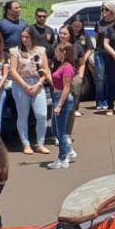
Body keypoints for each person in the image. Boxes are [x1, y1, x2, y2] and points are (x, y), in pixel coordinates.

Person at [9, 27, 50, 155]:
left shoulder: (41, 51)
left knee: (41, 114)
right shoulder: (15, 51)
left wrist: (38, 84)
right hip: (21, 83)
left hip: (37, 83)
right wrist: (24, 85)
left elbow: (46, 70)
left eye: (27, 37)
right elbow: (13, 70)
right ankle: (26, 143)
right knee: (23, 115)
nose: (24, 40)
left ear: (32, 37)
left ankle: (40, 143)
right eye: (22, 37)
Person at [47, 42, 76, 170]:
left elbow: (66, 88)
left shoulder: (67, 68)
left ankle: (63, 158)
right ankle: (68, 151)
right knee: (55, 129)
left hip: (62, 99)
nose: (55, 53)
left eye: (57, 51)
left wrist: (59, 105)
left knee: (62, 131)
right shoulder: (61, 66)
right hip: (57, 97)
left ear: (64, 52)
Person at [65, 17, 93, 125]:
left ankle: (75, 108)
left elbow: (90, 48)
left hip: (80, 65)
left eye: (79, 25)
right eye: (75, 25)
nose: (77, 28)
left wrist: (83, 60)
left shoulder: (84, 35)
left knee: (77, 87)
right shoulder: (67, 34)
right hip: (68, 65)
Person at [93, 2, 115, 113]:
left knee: (108, 77)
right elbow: (96, 37)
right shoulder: (98, 23)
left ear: (112, 11)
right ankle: (99, 101)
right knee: (100, 77)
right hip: (100, 52)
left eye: (106, 9)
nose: (104, 12)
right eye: (102, 9)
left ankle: (107, 100)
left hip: (110, 53)